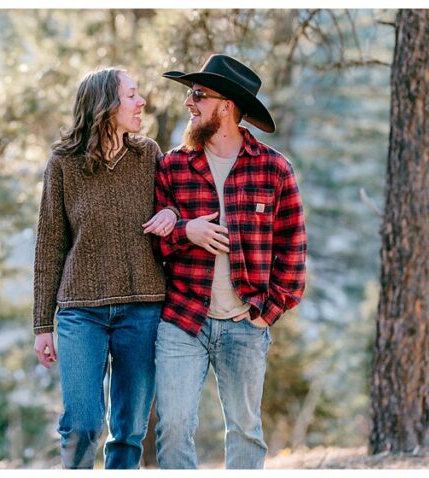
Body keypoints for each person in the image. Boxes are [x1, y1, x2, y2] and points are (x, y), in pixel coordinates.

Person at [153, 54, 307, 469]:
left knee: (245, 429)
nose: (189, 102)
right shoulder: (171, 166)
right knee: (174, 426)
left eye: (198, 94)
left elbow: (293, 247)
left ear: (226, 107)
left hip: (245, 323)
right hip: (183, 319)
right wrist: (187, 230)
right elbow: (152, 244)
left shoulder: (274, 169)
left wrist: (267, 311)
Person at [32, 68, 177, 469]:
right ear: (105, 105)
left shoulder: (148, 153)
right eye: (132, 95)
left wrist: (170, 212)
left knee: (129, 427)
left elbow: (175, 206)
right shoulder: (63, 164)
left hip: (142, 307)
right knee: (82, 422)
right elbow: (49, 246)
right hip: (81, 311)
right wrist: (42, 325)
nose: (142, 102)